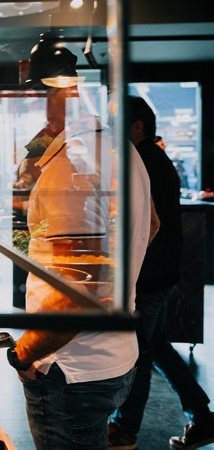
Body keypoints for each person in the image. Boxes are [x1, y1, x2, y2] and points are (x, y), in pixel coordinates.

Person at [6, 88, 158, 450]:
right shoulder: (123, 149)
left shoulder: (69, 164)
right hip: (117, 355)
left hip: (71, 367)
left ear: (52, 108)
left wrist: (23, 354)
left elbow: (76, 294)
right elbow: (151, 225)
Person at [108, 97, 214, 450]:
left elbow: (149, 225)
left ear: (137, 126)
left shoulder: (143, 161)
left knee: (137, 355)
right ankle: (203, 418)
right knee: (154, 347)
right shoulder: (153, 158)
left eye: (119, 122)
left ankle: (124, 430)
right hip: (160, 273)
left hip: (149, 276)